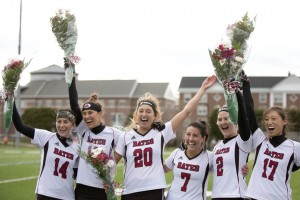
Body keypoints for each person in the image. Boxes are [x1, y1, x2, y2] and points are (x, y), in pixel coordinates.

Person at [114, 75, 217, 200]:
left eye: (148, 111)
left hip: (154, 190)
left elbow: (186, 111)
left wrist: (202, 89)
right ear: (136, 115)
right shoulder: (126, 137)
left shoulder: (161, 132)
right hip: (130, 191)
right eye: (141, 111)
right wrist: (108, 180)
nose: (144, 114)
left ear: (155, 116)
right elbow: (112, 163)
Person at [237, 71, 300, 200]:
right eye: (266, 119)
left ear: (284, 121)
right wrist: (246, 86)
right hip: (253, 197)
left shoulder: (295, 147)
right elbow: (249, 112)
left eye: (273, 118)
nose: (269, 122)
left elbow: (292, 167)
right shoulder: (260, 140)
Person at [67, 64, 123, 200]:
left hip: (103, 188)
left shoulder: (114, 133)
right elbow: (73, 103)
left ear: (100, 113)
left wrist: (111, 165)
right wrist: (71, 74)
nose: (86, 116)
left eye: (90, 113)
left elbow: (131, 143)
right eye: (84, 113)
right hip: (82, 187)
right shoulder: (83, 130)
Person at [12, 101, 79, 200]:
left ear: (73, 125)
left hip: (67, 196)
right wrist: (11, 102)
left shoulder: (77, 147)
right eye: (59, 121)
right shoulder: (47, 137)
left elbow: (78, 176)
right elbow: (20, 127)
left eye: (65, 122)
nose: (61, 125)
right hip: (45, 194)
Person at [211, 83, 252, 199]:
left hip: (236, 196)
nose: (223, 122)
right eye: (220, 119)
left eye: (227, 118)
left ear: (234, 120)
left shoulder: (242, 141)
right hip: (217, 196)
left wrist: (238, 94)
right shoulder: (217, 146)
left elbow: (244, 120)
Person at [164, 121, 213, 200]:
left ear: (203, 139)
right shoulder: (177, 153)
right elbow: (162, 169)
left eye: (195, 135)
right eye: (188, 134)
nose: (191, 139)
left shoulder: (210, 157)